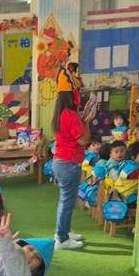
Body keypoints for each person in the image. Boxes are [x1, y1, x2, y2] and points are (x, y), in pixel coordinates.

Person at [51, 91, 95, 251]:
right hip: (68, 163)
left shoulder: (61, 113)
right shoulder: (70, 115)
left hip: (61, 162)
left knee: (66, 201)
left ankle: (65, 232)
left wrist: (83, 118)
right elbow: (84, 139)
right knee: (67, 203)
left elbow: (74, 133)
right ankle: (61, 238)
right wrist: (87, 121)